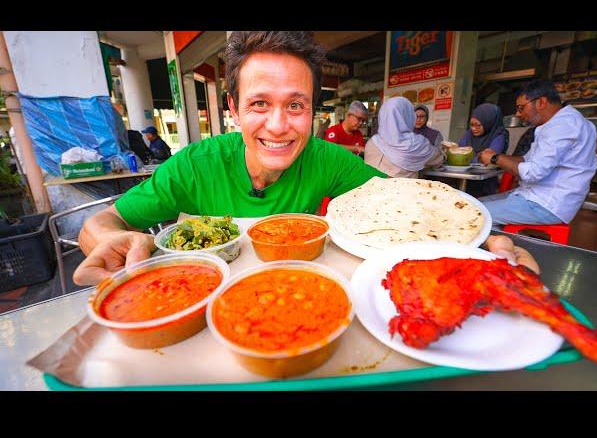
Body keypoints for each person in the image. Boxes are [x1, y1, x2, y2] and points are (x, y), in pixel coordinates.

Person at [73, 31, 387, 286]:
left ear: (312, 110)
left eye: (295, 106)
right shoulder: (195, 166)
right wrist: (115, 241)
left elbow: (405, 203)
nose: (278, 127)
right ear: (234, 109)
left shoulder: (328, 160)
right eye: (260, 103)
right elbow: (99, 224)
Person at [478, 79, 597, 226]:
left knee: (473, 214)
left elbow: (533, 172)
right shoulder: (556, 124)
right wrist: (496, 158)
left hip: (547, 204)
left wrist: (496, 158)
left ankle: (500, 246)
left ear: (541, 102)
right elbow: (525, 160)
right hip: (535, 196)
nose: (518, 114)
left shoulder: (563, 126)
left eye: (521, 108)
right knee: (473, 204)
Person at [364, 97, 443, 178]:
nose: (418, 119)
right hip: (404, 190)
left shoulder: (372, 142)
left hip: (371, 189)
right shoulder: (417, 144)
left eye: (422, 116)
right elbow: (438, 159)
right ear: (409, 117)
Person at [458, 103, 509, 197]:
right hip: (465, 177)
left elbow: (488, 158)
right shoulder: (468, 134)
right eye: (471, 125)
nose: (474, 128)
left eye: (478, 125)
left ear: (488, 122)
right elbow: (459, 153)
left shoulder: (499, 135)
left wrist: (471, 157)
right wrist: (477, 158)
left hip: (486, 181)